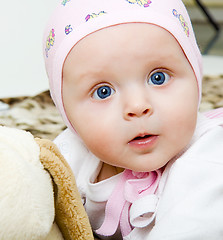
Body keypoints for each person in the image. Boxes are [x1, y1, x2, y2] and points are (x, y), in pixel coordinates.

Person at [43, 0, 223, 239]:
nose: (137, 106)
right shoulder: (69, 153)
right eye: (103, 91)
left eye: (158, 77)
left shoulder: (209, 158)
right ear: (67, 112)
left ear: (195, 76)